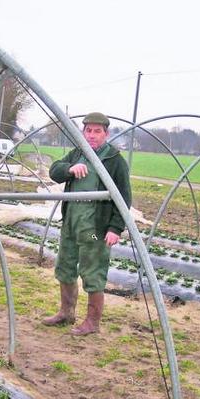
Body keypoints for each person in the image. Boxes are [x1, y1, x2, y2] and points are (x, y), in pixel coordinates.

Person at [43, 112, 131, 335]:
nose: (92, 135)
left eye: (97, 131)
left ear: (106, 133)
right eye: (88, 131)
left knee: (92, 271)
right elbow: (55, 170)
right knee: (65, 266)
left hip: (93, 229)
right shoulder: (77, 154)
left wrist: (115, 228)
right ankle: (66, 312)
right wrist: (69, 170)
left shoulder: (114, 161)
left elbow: (124, 198)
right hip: (72, 223)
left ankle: (92, 322)